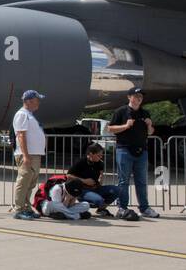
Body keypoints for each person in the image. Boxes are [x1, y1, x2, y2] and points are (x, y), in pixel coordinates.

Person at [106, 87, 158, 219]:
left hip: (142, 151)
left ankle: (144, 208)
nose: (139, 99)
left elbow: (151, 133)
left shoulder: (145, 113)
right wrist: (125, 126)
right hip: (124, 150)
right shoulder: (121, 111)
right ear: (129, 97)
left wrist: (149, 125)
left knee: (142, 181)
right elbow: (110, 129)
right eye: (136, 96)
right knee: (123, 180)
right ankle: (122, 207)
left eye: (141, 97)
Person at [10, 89, 46, 221]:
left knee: (30, 183)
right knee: (24, 181)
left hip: (34, 154)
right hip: (27, 154)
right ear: (29, 101)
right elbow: (21, 135)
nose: (38, 104)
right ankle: (19, 209)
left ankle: (26, 206)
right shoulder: (22, 115)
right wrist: (25, 155)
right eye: (37, 101)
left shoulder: (29, 115)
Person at [66, 142, 124, 216]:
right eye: (98, 155)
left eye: (101, 155)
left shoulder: (100, 163)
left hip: (95, 188)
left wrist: (100, 179)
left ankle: (101, 209)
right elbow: (68, 175)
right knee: (98, 200)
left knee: (117, 189)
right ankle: (80, 207)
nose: (100, 157)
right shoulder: (81, 162)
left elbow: (101, 174)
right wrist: (84, 181)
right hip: (83, 190)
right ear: (91, 154)